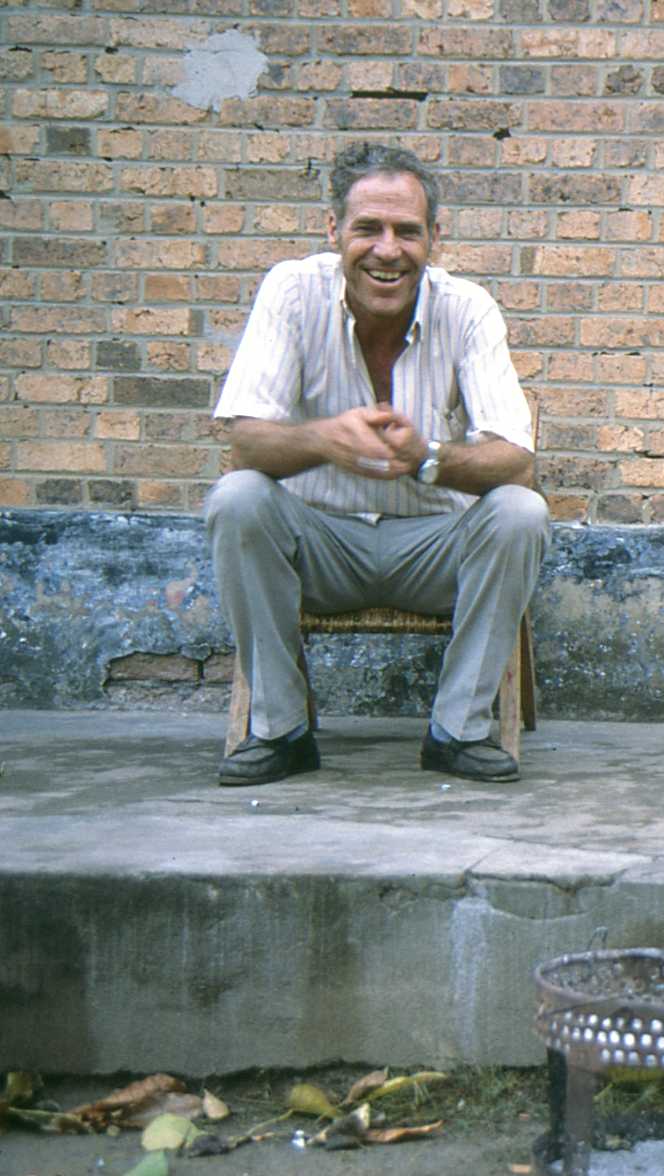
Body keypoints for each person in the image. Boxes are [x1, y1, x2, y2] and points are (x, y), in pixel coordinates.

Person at [207, 142, 550, 786]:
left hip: (433, 551)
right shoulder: (291, 289)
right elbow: (245, 446)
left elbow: (517, 461)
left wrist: (429, 460)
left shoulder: (467, 307)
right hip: (320, 545)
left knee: (520, 512)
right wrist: (328, 441)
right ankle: (280, 729)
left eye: (407, 231)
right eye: (368, 228)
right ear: (334, 230)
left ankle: (459, 730)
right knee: (237, 498)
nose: (387, 250)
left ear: (435, 239)